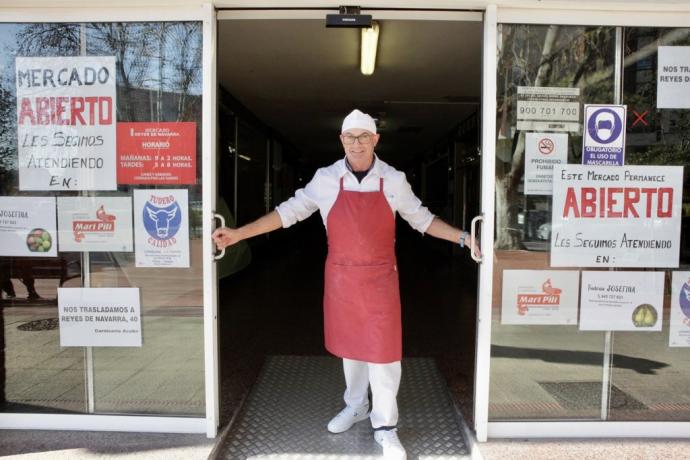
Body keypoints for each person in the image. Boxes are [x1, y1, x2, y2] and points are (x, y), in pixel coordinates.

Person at [212, 109, 479, 460]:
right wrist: (238, 234)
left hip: (381, 279)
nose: (357, 143)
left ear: (375, 140)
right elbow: (287, 213)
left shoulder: (393, 180)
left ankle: (386, 427)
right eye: (350, 137)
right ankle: (356, 406)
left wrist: (463, 238)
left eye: (363, 136)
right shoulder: (326, 179)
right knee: (352, 351)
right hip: (342, 279)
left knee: (384, 356)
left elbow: (422, 219)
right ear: (341, 141)